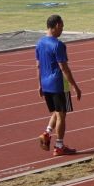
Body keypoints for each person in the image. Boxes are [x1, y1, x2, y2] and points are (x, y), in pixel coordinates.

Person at [35, 14, 82, 156]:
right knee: (62, 115)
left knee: (57, 111)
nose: (62, 29)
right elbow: (64, 68)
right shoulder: (58, 45)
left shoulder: (40, 43)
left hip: (46, 83)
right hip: (58, 84)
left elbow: (38, 66)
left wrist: (39, 85)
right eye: (61, 26)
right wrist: (75, 86)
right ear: (56, 26)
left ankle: (47, 133)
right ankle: (59, 146)